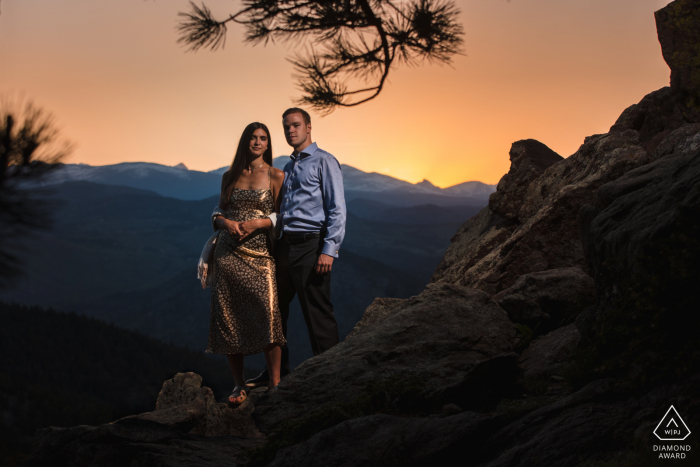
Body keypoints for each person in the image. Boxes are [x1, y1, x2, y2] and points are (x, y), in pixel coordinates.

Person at [245, 107, 346, 388]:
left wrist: (329, 249)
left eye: (296, 125)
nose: (291, 130)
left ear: (309, 127)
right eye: (287, 126)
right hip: (283, 247)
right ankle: (277, 372)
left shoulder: (325, 162)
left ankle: (331, 376)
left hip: (311, 247)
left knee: (317, 312)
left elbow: (337, 209)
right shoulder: (288, 167)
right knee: (274, 310)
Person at [207, 122, 286, 405]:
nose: (257, 142)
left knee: (269, 315)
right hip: (228, 255)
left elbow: (282, 216)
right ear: (245, 142)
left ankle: (275, 383)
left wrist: (260, 222)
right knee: (229, 317)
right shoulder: (230, 176)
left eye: (263, 138)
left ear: (268, 144)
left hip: (261, 255)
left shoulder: (277, 175)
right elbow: (218, 211)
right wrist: (225, 222)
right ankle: (238, 385)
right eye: (253, 137)